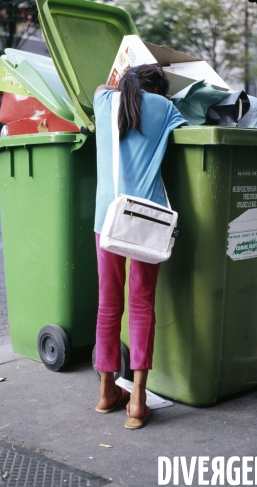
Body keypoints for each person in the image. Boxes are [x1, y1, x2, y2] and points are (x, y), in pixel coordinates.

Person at [92, 65, 188, 429]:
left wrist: (120, 82)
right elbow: (190, 130)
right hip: (145, 220)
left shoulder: (104, 101)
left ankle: (106, 393)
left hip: (107, 219)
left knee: (108, 304)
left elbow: (103, 85)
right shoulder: (165, 108)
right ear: (160, 89)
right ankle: (138, 401)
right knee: (141, 304)